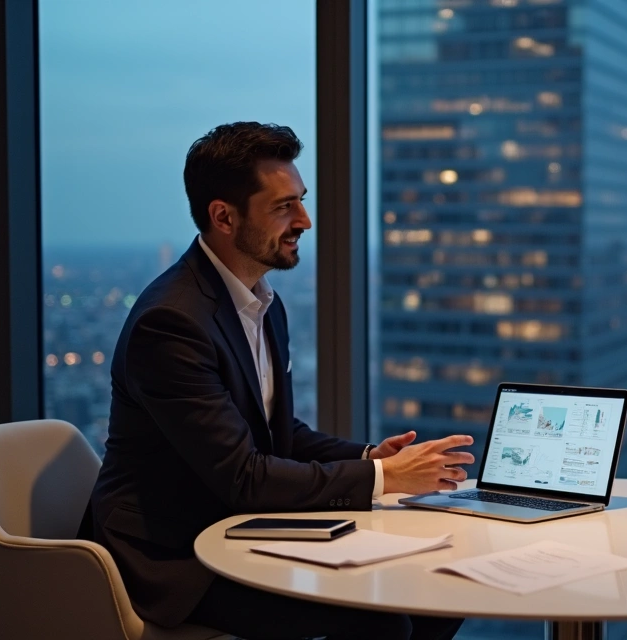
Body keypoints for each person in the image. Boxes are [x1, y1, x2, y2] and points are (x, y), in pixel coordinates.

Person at [84, 122, 468, 639]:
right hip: (172, 556)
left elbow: (276, 433)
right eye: (284, 206)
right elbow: (243, 476)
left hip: (236, 526)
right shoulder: (171, 323)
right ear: (223, 216)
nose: (305, 221)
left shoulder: (260, 300)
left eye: (301, 202)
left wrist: (369, 458)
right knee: (384, 617)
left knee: (438, 591)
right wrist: (388, 480)